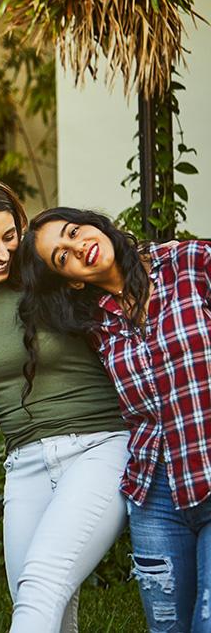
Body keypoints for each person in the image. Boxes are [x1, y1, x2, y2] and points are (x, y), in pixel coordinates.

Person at [0, 176, 128, 633]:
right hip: (25, 461)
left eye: (9, 235)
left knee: (42, 584)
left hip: (100, 446)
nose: (2, 252)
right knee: (35, 597)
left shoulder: (50, 275)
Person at [20, 207, 211, 633]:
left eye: (73, 232)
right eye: (62, 256)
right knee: (167, 627)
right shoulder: (94, 324)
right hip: (155, 497)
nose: (77, 246)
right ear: (69, 279)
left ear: (95, 224)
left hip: (208, 466)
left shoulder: (189, 262)